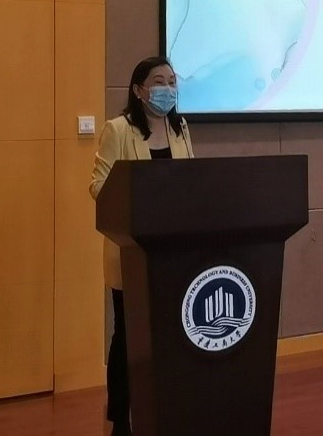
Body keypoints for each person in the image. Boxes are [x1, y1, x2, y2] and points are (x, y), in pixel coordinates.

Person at [89, 57, 194, 436]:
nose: (168, 88)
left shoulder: (180, 128)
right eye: (159, 81)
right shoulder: (118, 130)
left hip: (173, 253)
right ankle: (121, 420)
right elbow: (98, 187)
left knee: (169, 336)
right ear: (138, 90)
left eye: (172, 81)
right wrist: (139, 202)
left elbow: (193, 180)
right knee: (128, 337)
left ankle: (163, 412)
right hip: (132, 252)